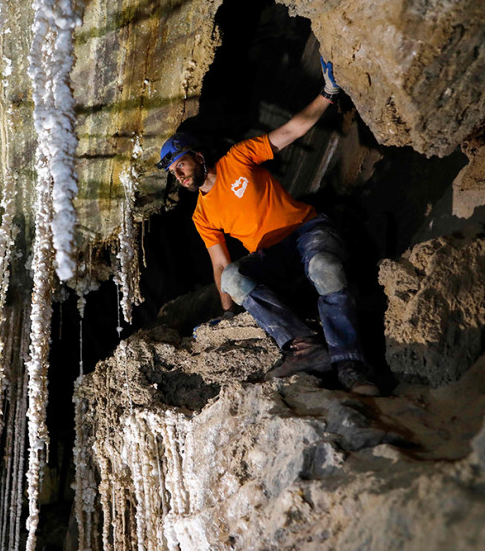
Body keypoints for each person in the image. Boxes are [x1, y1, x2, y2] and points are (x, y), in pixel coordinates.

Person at [157, 58, 379, 395]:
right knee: (232, 277)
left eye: (181, 164)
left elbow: (290, 131)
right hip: (271, 257)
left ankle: (351, 365)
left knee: (325, 267)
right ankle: (305, 348)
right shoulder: (202, 215)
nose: (180, 174)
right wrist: (228, 310)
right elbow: (220, 264)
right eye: (173, 171)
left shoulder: (238, 159)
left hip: (307, 231)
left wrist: (328, 94)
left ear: (198, 157)